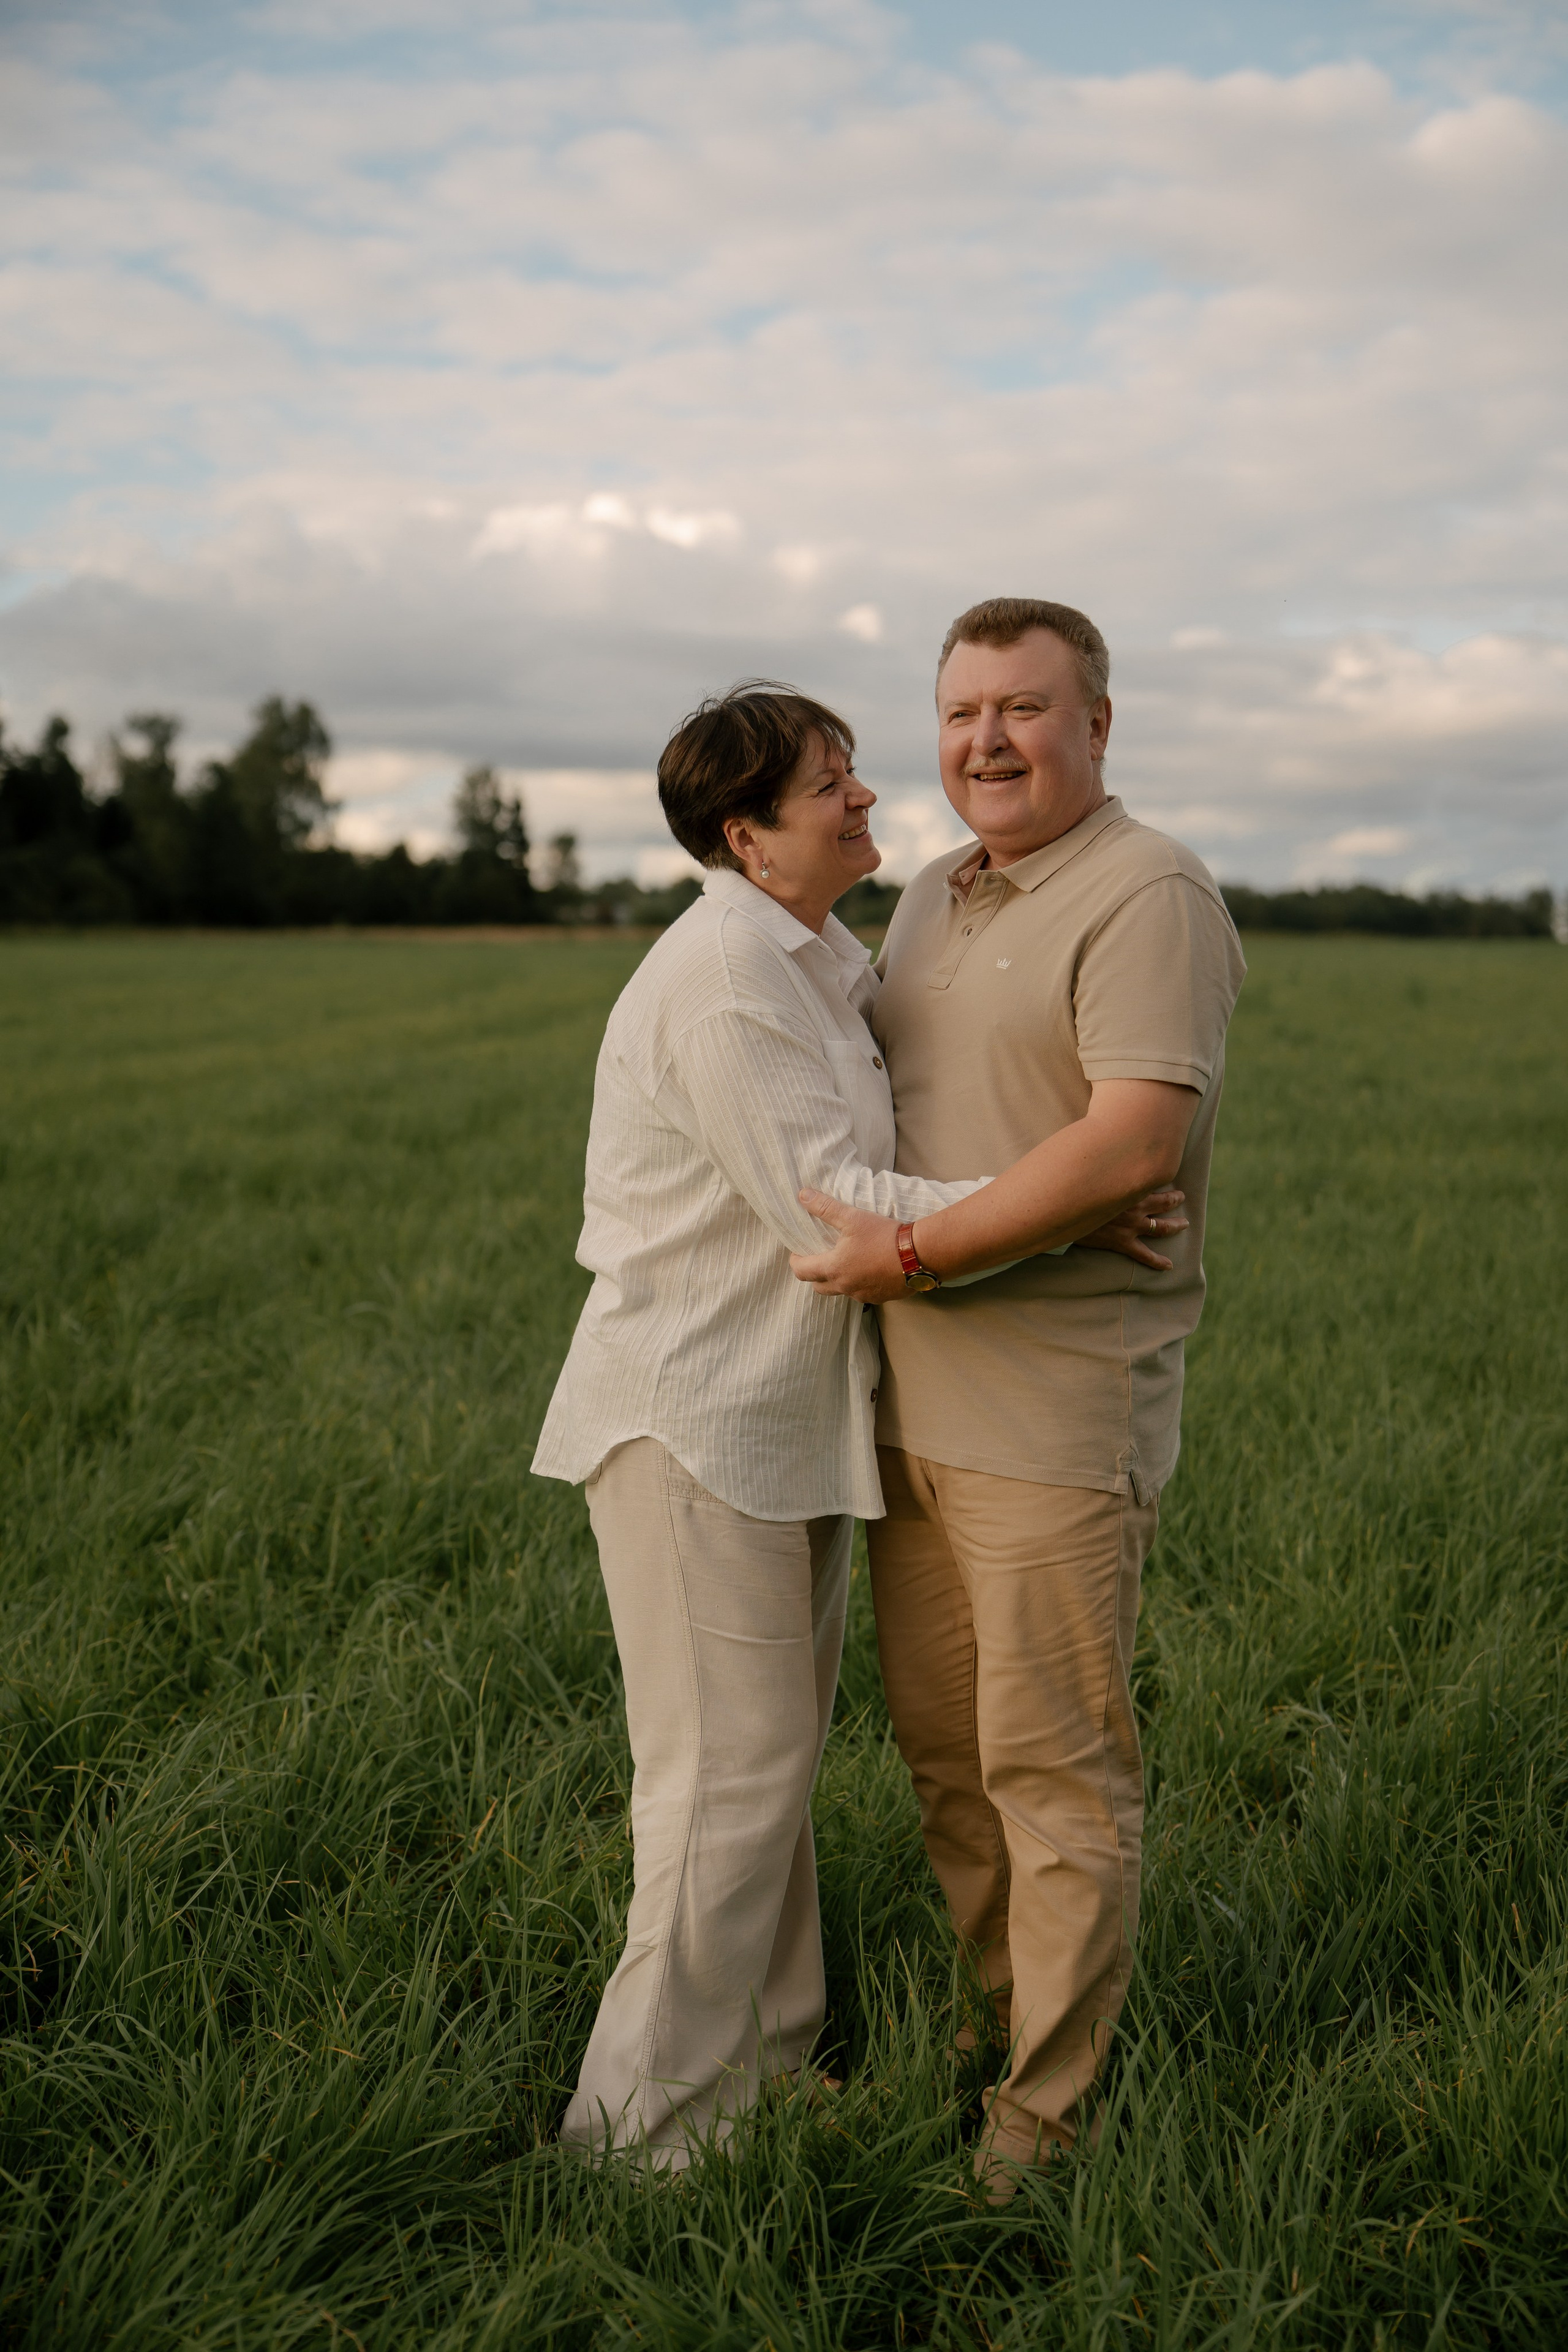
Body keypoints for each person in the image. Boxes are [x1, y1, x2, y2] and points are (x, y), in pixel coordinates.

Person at [532, 679, 1178, 2169]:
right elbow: (831, 1204)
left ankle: (750, 2084)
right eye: (833, 784)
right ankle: (634, 2145)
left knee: (763, 1780)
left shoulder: (816, 955)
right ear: (748, 833)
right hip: (696, 1429)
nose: (868, 799)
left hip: (785, 1422)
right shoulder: (724, 981)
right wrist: (1070, 1207)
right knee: (721, 1786)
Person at [790, 598, 1246, 2199]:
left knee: (1054, 1773)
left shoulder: (1149, 892)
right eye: (964, 709)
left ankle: (1047, 2138)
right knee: (948, 1762)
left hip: (1057, 1414)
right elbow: (907, 1115)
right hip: (912, 1405)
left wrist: (925, 1243)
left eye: (1025, 709)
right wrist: (998, 1200)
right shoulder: (927, 897)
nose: (989, 739)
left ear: (1097, 725)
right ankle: (1003, 2039)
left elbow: (1128, 1144)